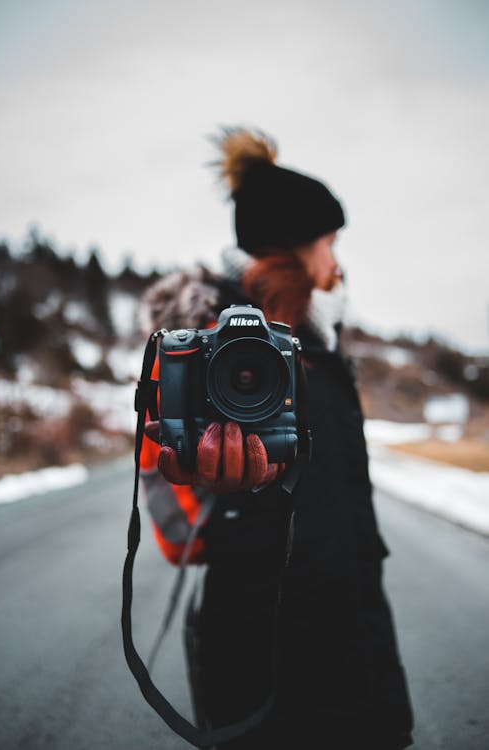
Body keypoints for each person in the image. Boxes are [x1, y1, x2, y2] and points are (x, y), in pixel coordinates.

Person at [139, 128, 414, 749]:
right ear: (294, 249)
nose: (337, 263)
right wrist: (232, 494)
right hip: (260, 636)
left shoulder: (314, 342)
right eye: (330, 242)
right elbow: (173, 507)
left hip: (354, 624)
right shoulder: (203, 344)